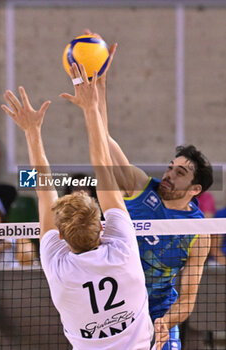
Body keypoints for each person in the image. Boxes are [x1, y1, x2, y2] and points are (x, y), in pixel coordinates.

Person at [1, 77, 160, 349]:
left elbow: (45, 192)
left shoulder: (58, 266)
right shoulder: (122, 250)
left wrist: (32, 131)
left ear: (62, 235)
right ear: (101, 226)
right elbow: (102, 165)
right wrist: (91, 108)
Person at [84, 29, 212, 350]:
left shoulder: (198, 232)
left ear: (195, 189)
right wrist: (99, 86)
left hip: (158, 312)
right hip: (114, 307)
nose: (168, 174)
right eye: (171, 166)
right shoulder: (140, 185)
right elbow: (104, 140)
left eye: (179, 173)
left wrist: (165, 322)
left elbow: (188, 298)